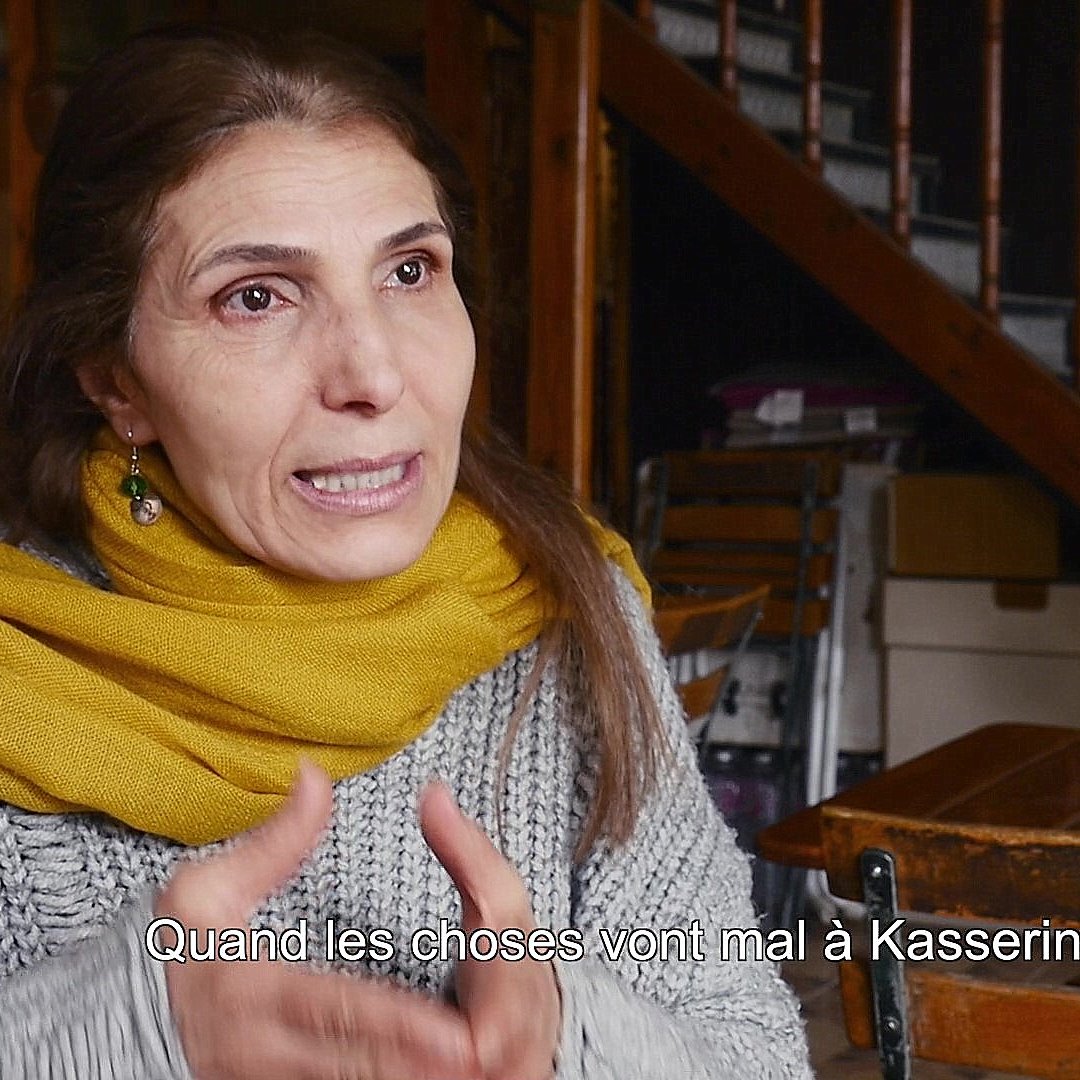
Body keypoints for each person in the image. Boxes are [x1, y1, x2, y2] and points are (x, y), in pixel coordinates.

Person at [0, 23, 812, 1080]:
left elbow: (757, 1058)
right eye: (257, 296)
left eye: (411, 271)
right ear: (114, 379)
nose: (373, 371)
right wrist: (113, 1033)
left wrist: (569, 1027)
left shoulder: (564, 606)